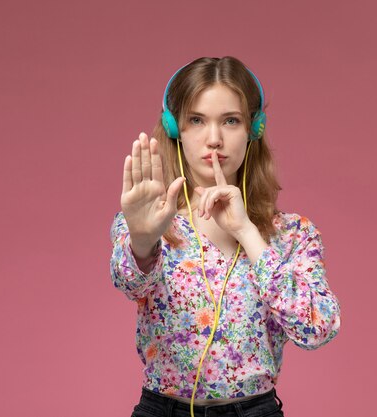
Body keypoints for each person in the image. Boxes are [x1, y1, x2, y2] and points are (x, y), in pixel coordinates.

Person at [109, 56, 341, 417]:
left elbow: (318, 328)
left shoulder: (292, 234)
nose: (214, 139)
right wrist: (141, 240)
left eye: (230, 121)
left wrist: (247, 232)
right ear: (175, 129)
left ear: (253, 128)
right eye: (196, 120)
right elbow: (129, 284)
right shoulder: (153, 222)